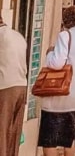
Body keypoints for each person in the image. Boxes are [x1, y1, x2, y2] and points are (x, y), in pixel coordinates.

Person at [38, 5, 75, 156]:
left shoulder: (65, 35)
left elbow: (57, 63)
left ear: (66, 20)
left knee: (49, 137)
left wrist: (50, 52)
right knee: (70, 136)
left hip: (58, 95)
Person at [0, 13, 28, 156]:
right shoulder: (17, 36)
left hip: (5, 86)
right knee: (14, 132)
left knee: (2, 131)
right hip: (21, 85)